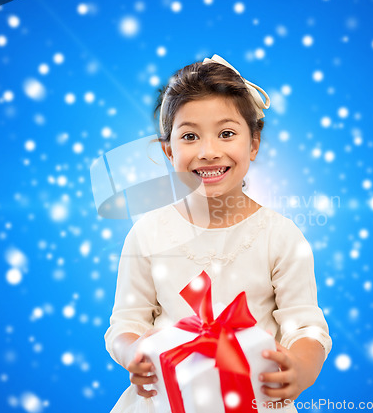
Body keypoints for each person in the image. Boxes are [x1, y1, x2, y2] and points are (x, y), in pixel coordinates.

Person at [104, 54, 332, 412]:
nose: (209, 152)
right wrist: (134, 351)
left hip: (254, 399)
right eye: (190, 136)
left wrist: (301, 368)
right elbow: (125, 322)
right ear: (168, 150)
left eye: (226, 133)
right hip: (165, 400)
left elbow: (306, 327)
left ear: (253, 144)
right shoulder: (148, 232)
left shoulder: (281, 236)